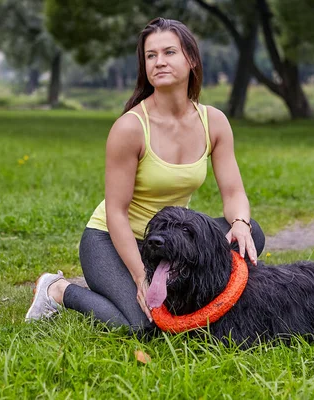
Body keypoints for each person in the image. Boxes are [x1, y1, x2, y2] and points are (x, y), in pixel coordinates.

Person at [25, 17, 265, 332]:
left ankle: (161, 285)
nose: (159, 62)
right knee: (142, 326)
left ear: (191, 59)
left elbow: (233, 193)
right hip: (112, 238)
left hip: (171, 239)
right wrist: (141, 277)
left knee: (252, 234)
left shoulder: (213, 122)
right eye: (151, 56)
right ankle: (58, 290)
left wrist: (239, 223)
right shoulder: (130, 127)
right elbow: (116, 213)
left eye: (169, 53)